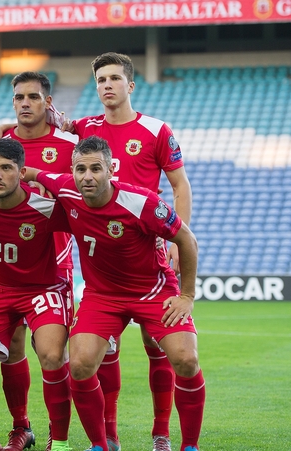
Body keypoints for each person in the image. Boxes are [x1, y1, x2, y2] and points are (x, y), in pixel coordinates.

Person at [32, 135, 204, 451]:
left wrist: (187, 296)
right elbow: (28, 172)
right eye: (80, 169)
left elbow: (187, 240)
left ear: (111, 169)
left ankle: (189, 446)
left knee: (186, 360)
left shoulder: (142, 202)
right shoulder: (65, 188)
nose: (87, 177)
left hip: (153, 291)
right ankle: (101, 445)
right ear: (72, 170)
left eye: (96, 168)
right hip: (102, 296)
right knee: (80, 365)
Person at [65, 52, 193, 451]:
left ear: (130, 85)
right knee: (102, 353)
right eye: (100, 79)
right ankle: (109, 436)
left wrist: (176, 240)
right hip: (103, 257)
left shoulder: (155, 130)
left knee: (160, 347)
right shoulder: (84, 128)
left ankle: (161, 433)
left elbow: (180, 186)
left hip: (149, 252)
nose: (106, 85)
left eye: (114, 78)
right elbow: (39, 138)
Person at [0, 139, 73, 451]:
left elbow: (87, 217)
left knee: (51, 354)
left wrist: (39, 175)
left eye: (6, 168)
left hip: (41, 290)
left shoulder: (45, 208)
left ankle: (59, 443)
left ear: (21, 172)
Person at [0, 71, 77, 451]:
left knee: (51, 352)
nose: (24, 103)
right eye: (18, 97)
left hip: (53, 264)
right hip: (7, 265)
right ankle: (21, 426)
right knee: (12, 347)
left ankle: (58, 438)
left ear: (48, 102)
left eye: (32, 96)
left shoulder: (69, 143)